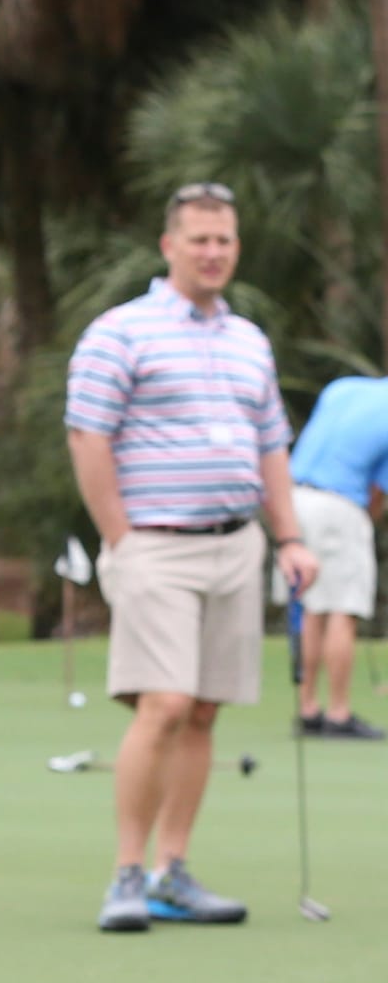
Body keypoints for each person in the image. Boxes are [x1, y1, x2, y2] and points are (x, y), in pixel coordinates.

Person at [65, 183, 319, 933]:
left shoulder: (248, 340)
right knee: (165, 703)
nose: (213, 253)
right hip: (156, 545)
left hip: (235, 544)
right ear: (169, 245)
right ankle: (126, 874)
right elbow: (88, 435)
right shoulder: (121, 332)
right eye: (200, 239)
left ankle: (173, 870)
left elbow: (270, 443)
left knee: (204, 711)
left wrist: (291, 537)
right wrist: (122, 539)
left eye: (225, 241)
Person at [277, 374, 388, 739]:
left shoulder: (341, 387)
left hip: (292, 500)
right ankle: (339, 715)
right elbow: (378, 491)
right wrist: (364, 522)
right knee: (343, 610)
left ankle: (308, 709)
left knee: (314, 607)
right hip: (339, 504)